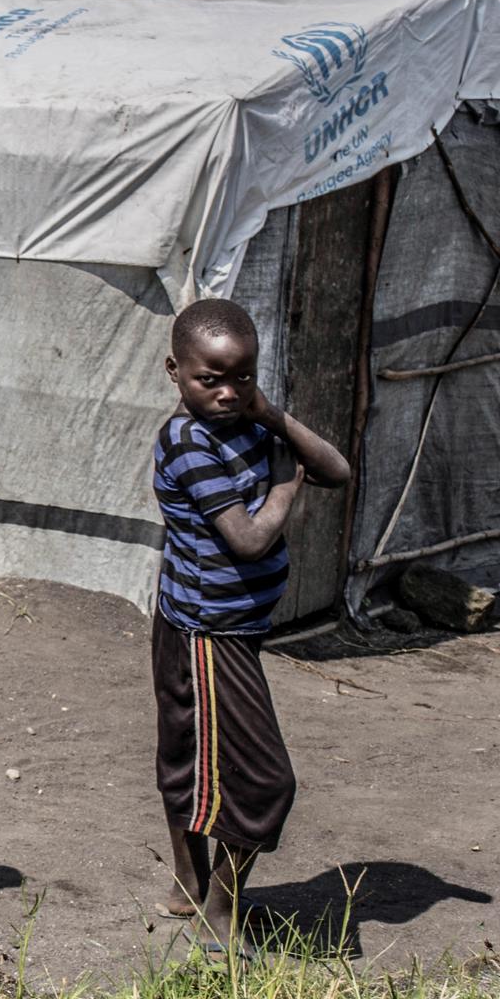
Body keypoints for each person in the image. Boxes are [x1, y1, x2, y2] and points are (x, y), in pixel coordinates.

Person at [151, 298, 349, 962]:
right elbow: (248, 539)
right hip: (209, 630)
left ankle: (188, 884)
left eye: (244, 378)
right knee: (264, 780)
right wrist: (287, 492)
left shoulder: (247, 424)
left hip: (218, 624)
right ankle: (220, 910)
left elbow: (337, 470)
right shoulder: (188, 442)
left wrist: (272, 415)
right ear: (175, 371)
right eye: (212, 379)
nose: (229, 392)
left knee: (187, 748)